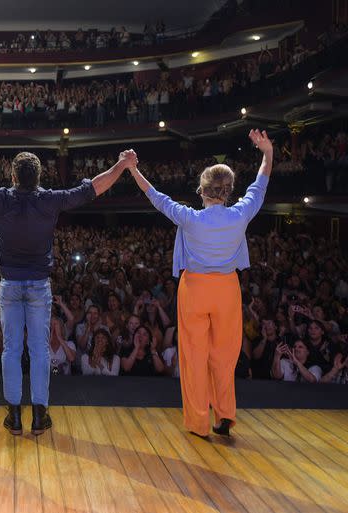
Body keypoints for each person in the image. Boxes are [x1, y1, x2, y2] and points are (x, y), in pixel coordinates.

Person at [0, 137, 136, 435]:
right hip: (39, 286)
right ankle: (39, 416)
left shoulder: (0, 199)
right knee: (40, 350)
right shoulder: (50, 201)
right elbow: (93, 188)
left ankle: (15, 416)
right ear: (39, 177)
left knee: (11, 350)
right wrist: (121, 165)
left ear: (14, 176)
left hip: (10, 285)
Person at [128, 129, 273, 438]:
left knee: (194, 357)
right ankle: (224, 417)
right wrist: (267, 152)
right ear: (229, 190)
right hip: (227, 291)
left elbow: (155, 196)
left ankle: (198, 423)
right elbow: (259, 186)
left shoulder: (189, 218)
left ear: (202, 190)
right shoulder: (241, 214)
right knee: (224, 356)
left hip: (194, 290)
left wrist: (133, 168)